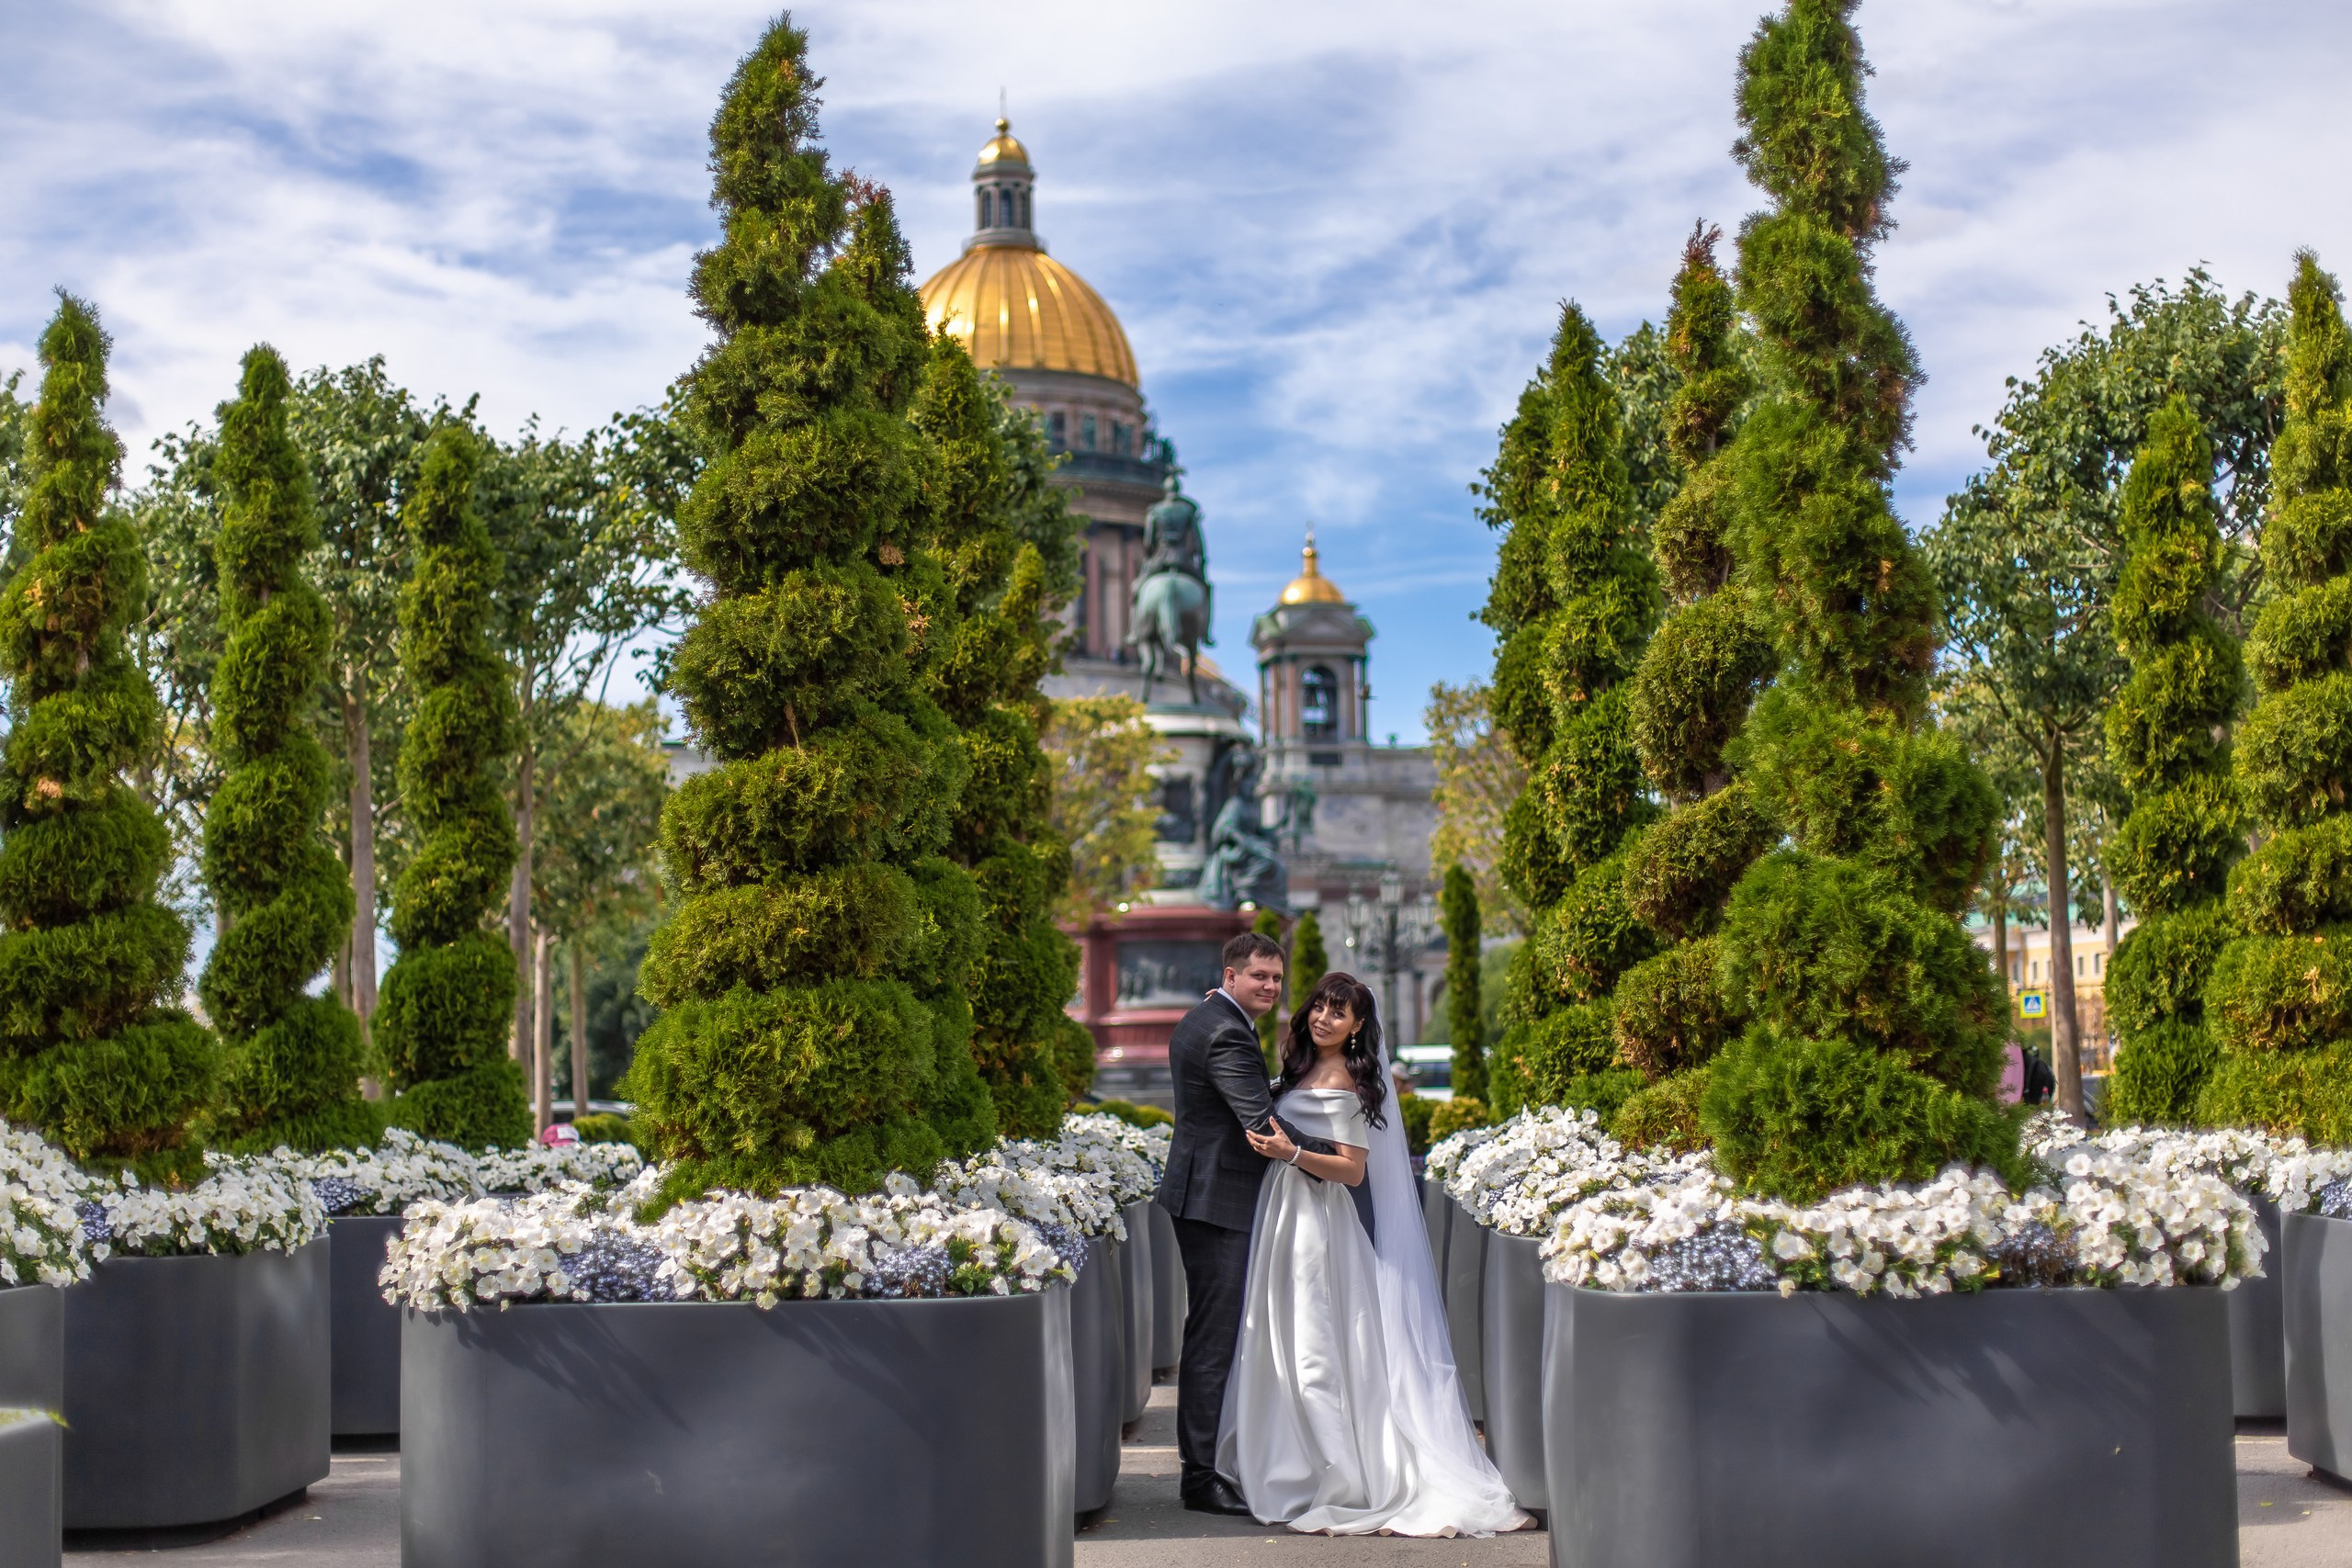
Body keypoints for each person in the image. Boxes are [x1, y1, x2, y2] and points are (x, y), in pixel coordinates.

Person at [1218, 972, 1531, 1537]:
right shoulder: (1301, 1067)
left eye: (1339, 1013)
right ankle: (1294, 1460)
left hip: (1319, 1221)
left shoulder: (1345, 1081)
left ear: (1358, 1026)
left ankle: (1342, 1471)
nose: (1323, 1019)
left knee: (1316, 1341)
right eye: (1319, 1007)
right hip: (1284, 1213)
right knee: (1280, 1334)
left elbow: (1352, 1168)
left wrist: (1290, 1152)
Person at [1154, 931, 1338, 1517]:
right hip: (1217, 1201)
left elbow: (1246, 1094)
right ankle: (1200, 1477)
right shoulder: (1228, 1031)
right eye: (1259, 976)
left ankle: (1208, 1464)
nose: (1271, 987)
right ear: (1231, 975)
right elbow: (1260, 1125)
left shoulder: (1208, 1016)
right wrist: (1342, 1156)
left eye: (1278, 979)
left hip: (1202, 1193)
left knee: (1213, 1332)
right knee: (1213, 1337)